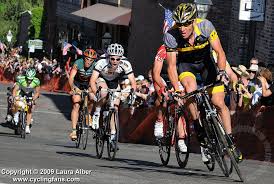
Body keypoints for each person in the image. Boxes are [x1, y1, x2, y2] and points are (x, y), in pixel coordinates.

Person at [164, 3, 242, 162]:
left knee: (219, 102)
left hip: (207, 64)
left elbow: (220, 52)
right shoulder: (171, 36)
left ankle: (230, 141)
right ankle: (197, 125)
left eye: (186, 24)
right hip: (186, 66)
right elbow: (171, 66)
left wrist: (221, 72)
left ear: (193, 21)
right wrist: (178, 90)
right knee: (190, 88)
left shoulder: (206, 26)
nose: (182, 28)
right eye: (179, 24)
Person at [89, 43, 136, 143]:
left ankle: (113, 133)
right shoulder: (101, 61)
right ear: (108, 57)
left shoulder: (126, 63)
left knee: (115, 107)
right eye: (112, 59)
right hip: (101, 78)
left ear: (121, 58)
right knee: (104, 93)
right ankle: (97, 113)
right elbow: (92, 80)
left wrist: (132, 93)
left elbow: (133, 82)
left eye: (118, 59)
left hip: (114, 81)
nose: (115, 61)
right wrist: (96, 93)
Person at [68, 48, 97, 140]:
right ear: (83, 58)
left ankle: (88, 113)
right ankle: (73, 130)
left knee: (92, 97)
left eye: (91, 60)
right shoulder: (78, 62)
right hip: (77, 83)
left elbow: (95, 80)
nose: (88, 62)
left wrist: (93, 90)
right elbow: (71, 77)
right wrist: (73, 87)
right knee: (76, 103)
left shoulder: (95, 66)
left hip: (88, 84)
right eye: (87, 59)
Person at [12, 68, 40, 134]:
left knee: (30, 108)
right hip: (21, 92)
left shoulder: (37, 81)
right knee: (16, 103)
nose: (29, 80)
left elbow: (37, 92)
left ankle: (27, 126)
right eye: (28, 79)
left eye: (31, 79)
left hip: (30, 93)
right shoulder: (21, 79)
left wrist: (33, 99)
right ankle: (16, 115)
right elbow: (15, 90)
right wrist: (14, 97)